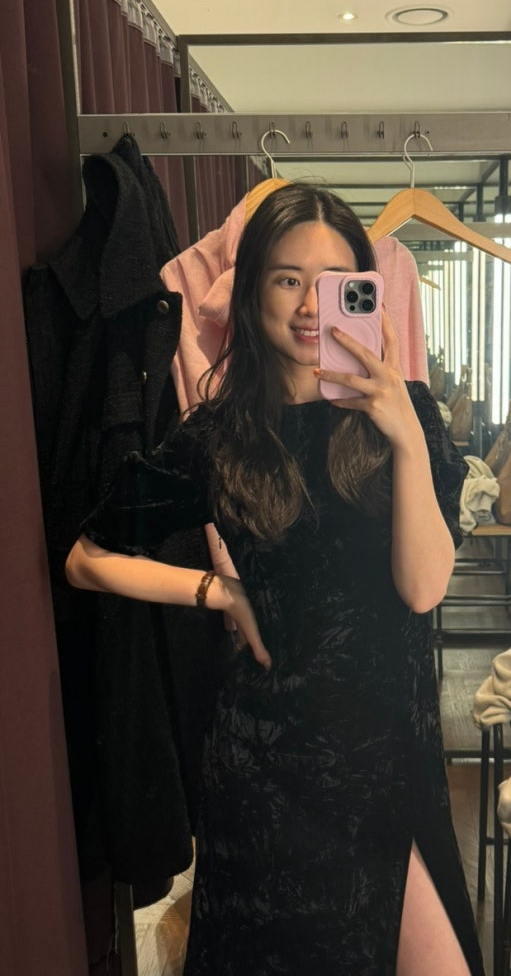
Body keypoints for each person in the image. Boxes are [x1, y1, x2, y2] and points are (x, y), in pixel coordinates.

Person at [66, 183, 484, 976]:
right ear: (252, 286)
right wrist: (215, 590)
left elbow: (423, 588)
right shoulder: (219, 437)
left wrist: (401, 434)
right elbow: (86, 556)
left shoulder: (407, 416)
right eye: (287, 279)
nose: (307, 306)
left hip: (389, 763)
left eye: (332, 283)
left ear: (363, 291)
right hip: (269, 777)